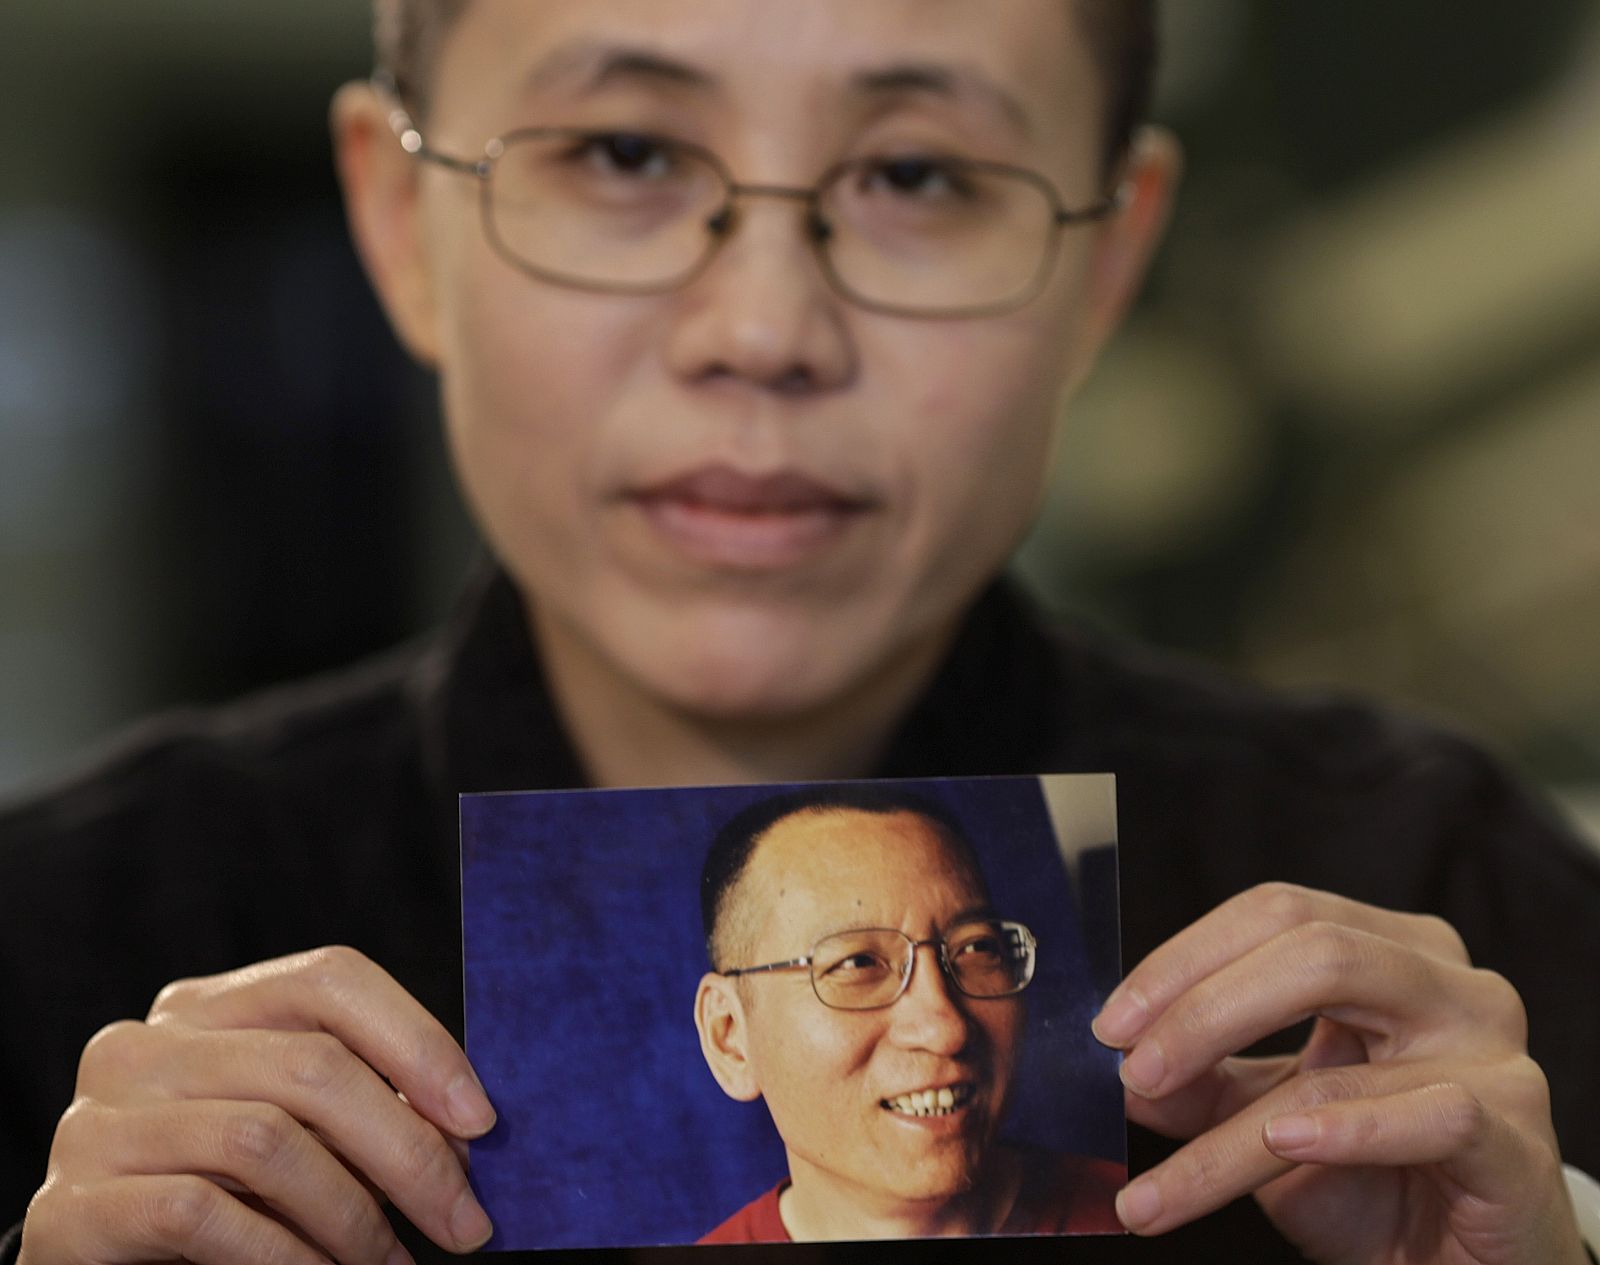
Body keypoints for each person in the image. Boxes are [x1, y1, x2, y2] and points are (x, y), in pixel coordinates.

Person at [1, 1, 1598, 1262]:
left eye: (918, 177)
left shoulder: (1444, 898)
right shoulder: (69, 937)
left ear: (1105, 266)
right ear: (402, 219)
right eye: (624, 153)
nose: (762, 332)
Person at [691, 786, 1124, 1243]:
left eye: (976, 948)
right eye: (857, 963)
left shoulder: (1139, 1210)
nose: (945, 1028)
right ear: (729, 1037)